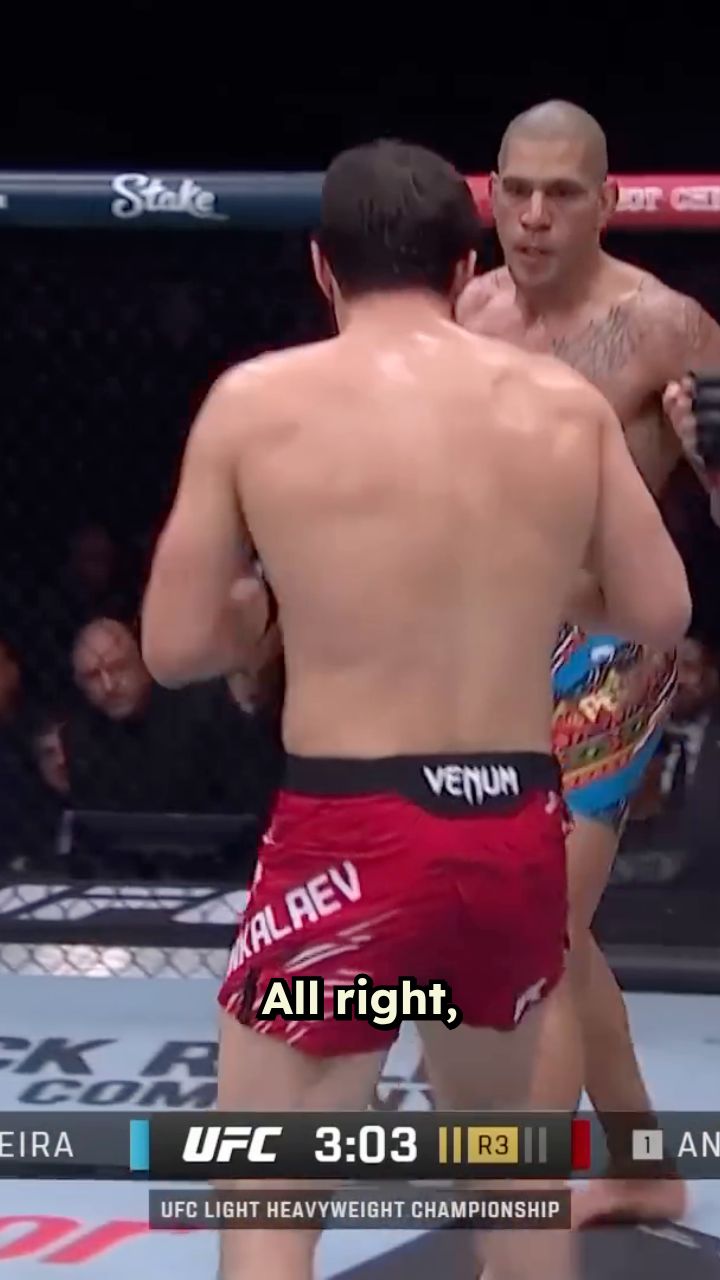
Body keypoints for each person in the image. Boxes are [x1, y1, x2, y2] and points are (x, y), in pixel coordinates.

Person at [141, 139, 690, 1280]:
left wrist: (261, 612)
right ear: (462, 267)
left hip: (350, 837)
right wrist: (533, 582)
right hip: (507, 829)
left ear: (321, 267)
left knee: (270, 1205)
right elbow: (658, 609)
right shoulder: (563, 404)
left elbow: (176, 647)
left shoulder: (254, 403)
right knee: (517, 1197)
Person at [457, 98, 720, 1227]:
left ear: (607, 202)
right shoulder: (467, 310)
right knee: (552, 933)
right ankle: (643, 1160)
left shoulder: (667, 326)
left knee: (536, 925)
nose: (533, 214)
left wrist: (714, 458)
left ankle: (511, 1217)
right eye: (515, 190)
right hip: (484, 647)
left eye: (561, 193)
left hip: (612, 650)